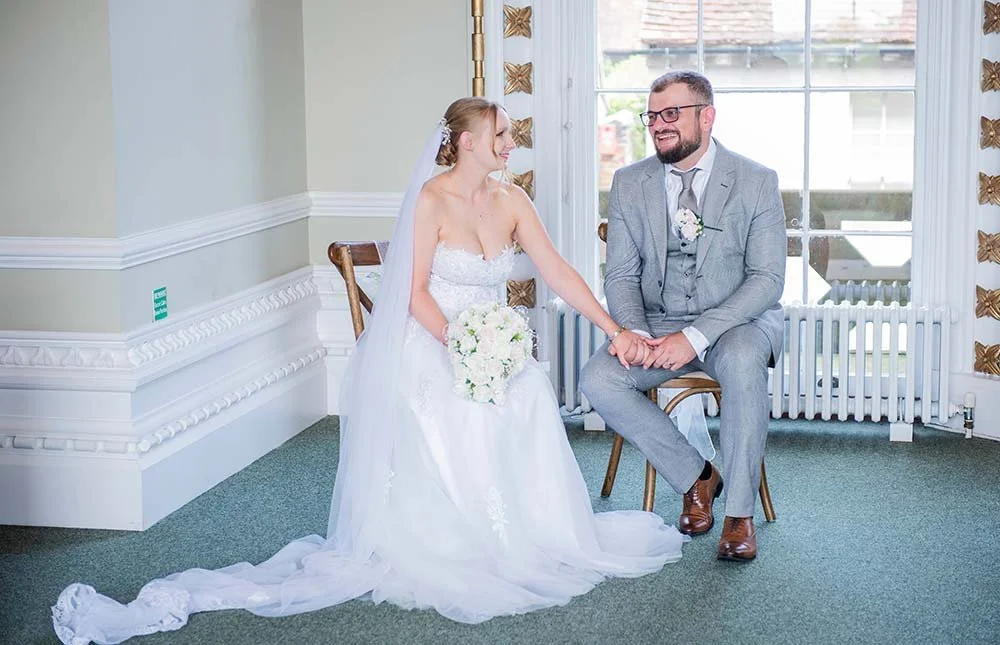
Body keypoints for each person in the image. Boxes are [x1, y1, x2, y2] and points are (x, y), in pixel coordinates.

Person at [51, 98, 686, 644]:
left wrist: (614, 329)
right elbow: (411, 294)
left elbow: (558, 272)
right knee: (465, 401)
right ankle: (457, 537)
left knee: (524, 391)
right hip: (438, 342)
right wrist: (463, 350)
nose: (512, 142)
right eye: (502, 134)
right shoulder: (432, 203)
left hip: (493, 346)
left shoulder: (513, 198)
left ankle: (534, 531)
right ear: (467, 143)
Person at [580, 71, 786, 562]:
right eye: (652, 116)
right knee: (599, 379)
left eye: (670, 114)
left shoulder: (757, 181)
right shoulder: (630, 183)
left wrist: (695, 337)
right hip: (655, 323)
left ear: (706, 116)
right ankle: (698, 477)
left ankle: (738, 514)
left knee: (739, 364)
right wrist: (632, 331)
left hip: (736, 324)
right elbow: (622, 274)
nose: (658, 126)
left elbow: (766, 280)